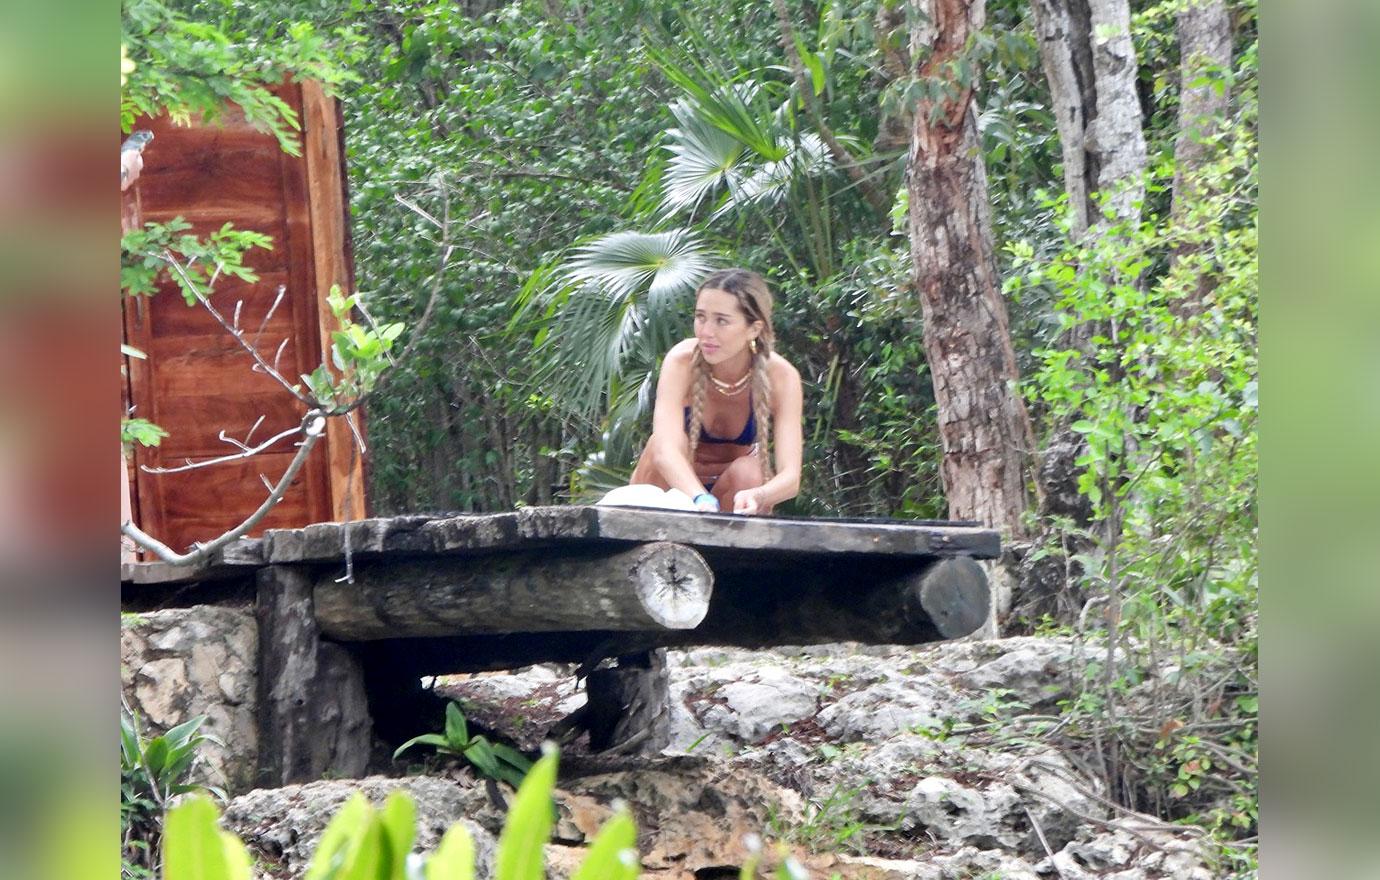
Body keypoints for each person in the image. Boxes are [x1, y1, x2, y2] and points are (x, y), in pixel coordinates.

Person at [629, 268, 803, 515]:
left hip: (732, 493)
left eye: (721, 320)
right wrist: (699, 499)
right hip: (674, 488)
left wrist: (759, 495)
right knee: (662, 442)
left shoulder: (783, 377)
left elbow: (791, 478)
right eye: (701, 317)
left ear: (754, 329)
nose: (707, 332)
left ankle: (732, 548)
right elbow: (666, 450)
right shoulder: (681, 362)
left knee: (751, 471)